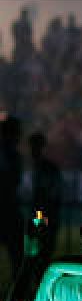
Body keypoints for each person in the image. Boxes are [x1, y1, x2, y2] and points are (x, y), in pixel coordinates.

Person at [28, 131, 63, 259]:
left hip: (44, 213)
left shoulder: (45, 168)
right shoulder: (40, 167)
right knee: (42, 248)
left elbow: (46, 197)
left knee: (42, 247)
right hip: (44, 213)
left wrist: (40, 218)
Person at [0, 116, 23, 273]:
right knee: (17, 256)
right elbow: (13, 181)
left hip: (8, 208)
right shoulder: (10, 155)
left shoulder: (12, 155)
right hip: (7, 209)